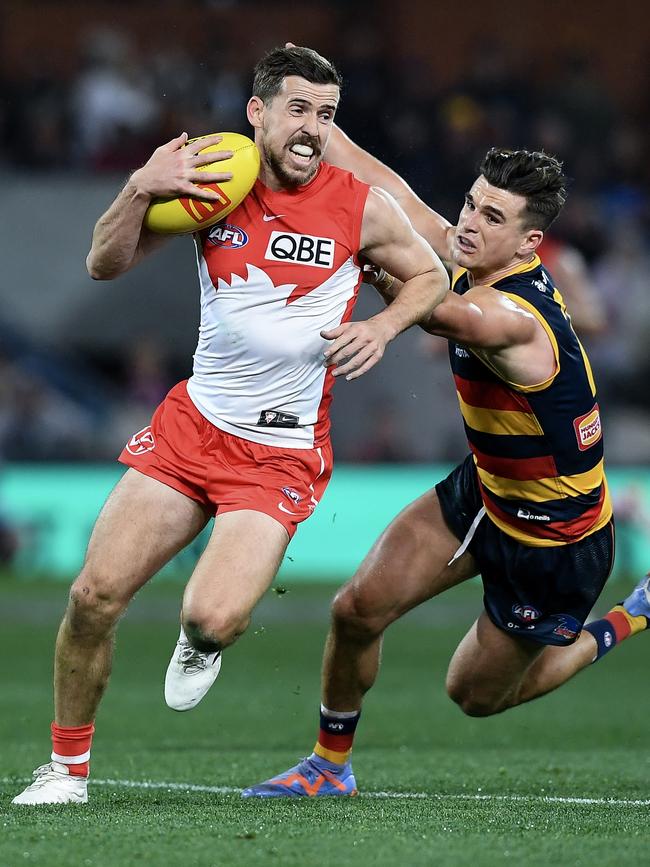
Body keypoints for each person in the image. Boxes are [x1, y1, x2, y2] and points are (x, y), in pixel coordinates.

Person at [12, 46, 449, 806]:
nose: (312, 129)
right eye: (298, 110)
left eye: (327, 115)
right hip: (194, 425)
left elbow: (430, 275)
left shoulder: (360, 204)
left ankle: (201, 638)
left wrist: (383, 329)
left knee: (212, 619)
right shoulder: (214, 183)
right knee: (92, 596)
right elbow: (103, 264)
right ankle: (65, 772)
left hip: (277, 453)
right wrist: (138, 187)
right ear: (259, 112)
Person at [242, 128, 650, 798]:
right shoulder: (468, 257)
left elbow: (443, 312)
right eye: (469, 204)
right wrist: (320, 126)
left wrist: (364, 258)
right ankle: (327, 766)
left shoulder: (517, 315)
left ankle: (630, 615)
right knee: (355, 609)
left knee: (476, 695)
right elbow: (394, 190)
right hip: (487, 490)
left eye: (492, 217)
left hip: (556, 539)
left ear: (527, 243)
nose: (468, 223)